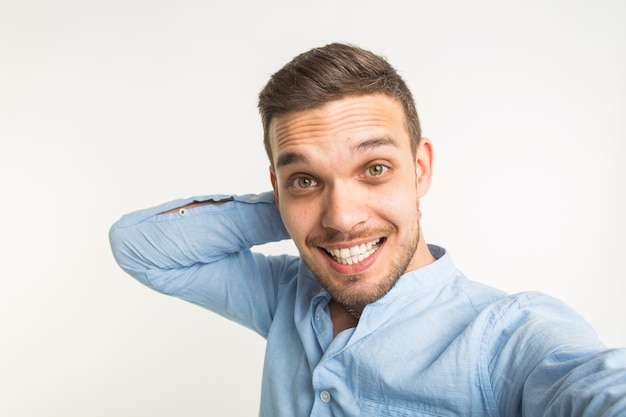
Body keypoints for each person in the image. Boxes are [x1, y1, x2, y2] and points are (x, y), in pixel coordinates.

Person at [109, 43, 626, 416]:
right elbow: (138, 246)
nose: (341, 216)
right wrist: (295, 206)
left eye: (374, 169)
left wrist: (309, 196)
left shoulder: (505, 335)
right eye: (305, 178)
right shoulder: (288, 294)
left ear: (419, 170)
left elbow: (596, 387)